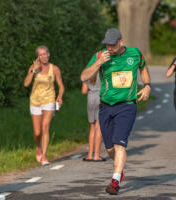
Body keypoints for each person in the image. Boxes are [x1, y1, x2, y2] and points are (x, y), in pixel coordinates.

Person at [80, 28, 151, 195]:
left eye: (112, 44)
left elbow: (143, 68)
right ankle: (120, 170)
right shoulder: (100, 55)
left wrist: (147, 86)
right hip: (105, 106)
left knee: (120, 145)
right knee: (110, 148)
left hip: (127, 105)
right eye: (107, 44)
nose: (109, 47)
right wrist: (98, 63)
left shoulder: (135, 54)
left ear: (121, 42)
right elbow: (83, 77)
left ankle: (115, 181)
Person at [24, 45, 64, 165]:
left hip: (49, 100)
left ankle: (44, 156)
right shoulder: (34, 68)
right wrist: (33, 71)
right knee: (37, 132)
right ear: (38, 57)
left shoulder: (54, 69)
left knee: (45, 127)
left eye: (45, 54)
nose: (43, 56)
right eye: (41, 55)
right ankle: (38, 147)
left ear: (49, 54)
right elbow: (26, 84)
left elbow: (61, 86)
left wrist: (59, 96)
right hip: (35, 101)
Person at [81, 73, 106, 162]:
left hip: (90, 98)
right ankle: (96, 155)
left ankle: (89, 155)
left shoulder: (88, 72)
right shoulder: (104, 70)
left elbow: (84, 91)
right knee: (98, 127)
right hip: (101, 98)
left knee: (92, 127)